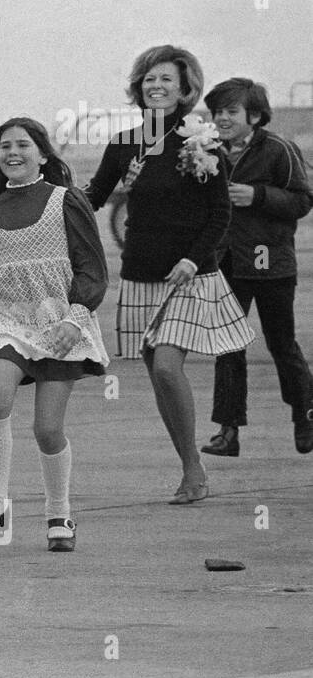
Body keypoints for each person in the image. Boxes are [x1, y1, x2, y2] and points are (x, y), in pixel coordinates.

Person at [85, 46, 254, 504]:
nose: (155, 86)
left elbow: (219, 214)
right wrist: (39, 193)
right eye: (148, 80)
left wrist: (193, 260)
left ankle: (195, 470)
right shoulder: (123, 144)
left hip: (189, 275)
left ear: (185, 90)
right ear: (138, 87)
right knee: (159, 377)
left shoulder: (204, 142)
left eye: (166, 80)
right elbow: (93, 198)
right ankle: (188, 465)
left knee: (166, 366)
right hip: (140, 273)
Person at [0, 118, 108, 551]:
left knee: (47, 430)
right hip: (7, 322)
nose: (13, 153)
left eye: (23, 145)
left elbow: (92, 268)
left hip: (61, 322)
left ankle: (60, 515)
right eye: (4, 147)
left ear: (44, 155)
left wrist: (75, 318)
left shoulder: (66, 201)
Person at [199, 78, 313, 457]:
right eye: (217, 112)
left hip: (271, 262)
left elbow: (302, 200)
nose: (222, 118)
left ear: (255, 115)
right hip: (226, 262)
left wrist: (258, 195)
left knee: (282, 344)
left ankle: (305, 415)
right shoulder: (205, 150)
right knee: (228, 347)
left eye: (231, 111)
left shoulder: (279, 149)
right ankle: (228, 431)